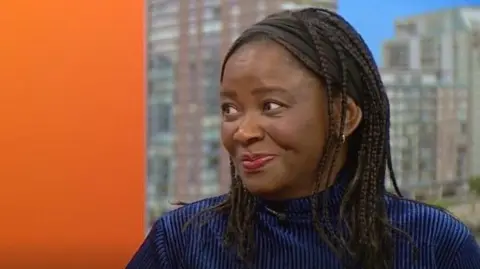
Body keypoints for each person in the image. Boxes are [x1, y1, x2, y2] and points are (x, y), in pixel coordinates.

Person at [127, 8, 480, 269]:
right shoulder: (183, 242)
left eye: (270, 105)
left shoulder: (432, 244)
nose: (242, 131)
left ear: (345, 115)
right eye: (230, 109)